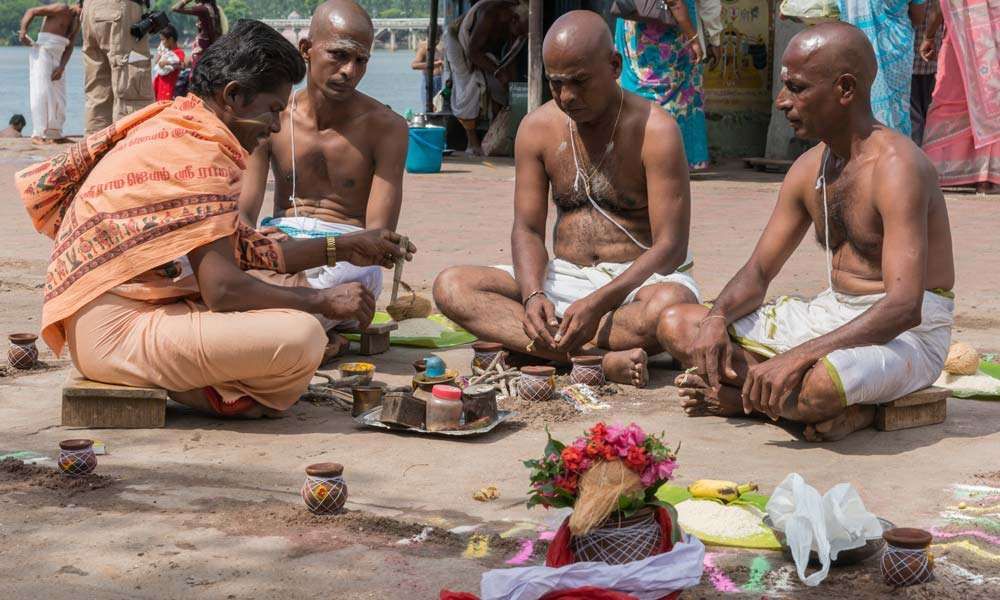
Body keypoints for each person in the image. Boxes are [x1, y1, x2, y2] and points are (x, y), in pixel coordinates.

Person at [15, 20, 415, 419]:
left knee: (286, 334)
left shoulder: (185, 123)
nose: (277, 125)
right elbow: (222, 289)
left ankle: (212, 385)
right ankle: (206, 390)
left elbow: (247, 248)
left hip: (125, 317)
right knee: (304, 337)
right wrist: (321, 300)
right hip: (113, 333)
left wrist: (342, 246)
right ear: (234, 96)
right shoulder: (201, 153)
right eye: (273, 110)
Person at [656, 23, 955, 442]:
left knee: (820, 384)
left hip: (908, 335)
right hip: (830, 315)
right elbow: (759, 271)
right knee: (678, 323)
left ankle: (756, 397)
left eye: (796, 89)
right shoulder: (808, 167)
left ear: (845, 89)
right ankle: (785, 401)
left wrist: (798, 357)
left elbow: (904, 307)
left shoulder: (897, 168)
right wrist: (717, 318)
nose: (782, 102)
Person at [434, 11, 700, 387]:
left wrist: (599, 302)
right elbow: (527, 228)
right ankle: (599, 362)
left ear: (614, 66)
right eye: (557, 84)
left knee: (669, 306)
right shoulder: (537, 128)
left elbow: (671, 248)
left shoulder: (656, 130)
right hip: (563, 280)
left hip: (636, 284)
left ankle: (541, 349)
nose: (567, 96)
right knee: (452, 286)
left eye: (579, 82)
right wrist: (532, 295)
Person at [239, 0, 408, 348]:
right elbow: (243, 212)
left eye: (361, 60)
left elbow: (376, 237)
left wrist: (343, 249)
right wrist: (257, 241)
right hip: (282, 251)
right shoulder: (274, 116)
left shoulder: (387, 127)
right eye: (339, 55)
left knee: (360, 273)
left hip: (347, 256)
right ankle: (309, 332)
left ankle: (281, 327)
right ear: (306, 49)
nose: (349, 70)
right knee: (218, 263)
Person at [615, 1, 709, 170]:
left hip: (632, 29)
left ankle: (631, 156)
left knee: (636, 90)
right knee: (673, 95)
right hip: (665, 33)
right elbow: (675, 2)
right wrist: (693, 37)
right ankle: (664, 159)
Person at [920, 0, 999, 195]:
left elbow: (941, 5)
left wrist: (928, 35)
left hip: (961, 42)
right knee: (991, 101)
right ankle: (988, 176)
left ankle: (944, 171)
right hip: (992, 39)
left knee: (949, 104)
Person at [443, 0, 528, 156]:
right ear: (514, 19)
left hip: (479, 51)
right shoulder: (490, 14)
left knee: (498, 89)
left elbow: (510, 60)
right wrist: (498, 72)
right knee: (467, 87)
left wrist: (510, 88)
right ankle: (472, 143)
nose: (520, 36)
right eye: (520, 31)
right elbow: (473, 52)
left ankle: (493, 137)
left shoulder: (517, 26)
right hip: (459, 42)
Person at [837, 0, 926, 137]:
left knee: (854, 103)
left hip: (853, 47)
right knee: (897, 113)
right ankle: (895, 149)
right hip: (896, 49)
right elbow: (918, 16)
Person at [81, 0, 154, 134]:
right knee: (131, 90)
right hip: (120, 9)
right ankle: (129, 147)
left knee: (98, 93)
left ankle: (97, 150)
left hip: (90, 9)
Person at [19, 1, 81, 144]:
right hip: (43, 51)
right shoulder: (61, 8)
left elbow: (70, 46)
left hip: (59, 57)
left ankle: (55, 134)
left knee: (60, 96)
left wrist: (62, 67)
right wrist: (23, 31)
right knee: (41, 92)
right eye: (83, 9)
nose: (83, 13)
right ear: (79, 4)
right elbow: (31, 11)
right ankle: (38, 134)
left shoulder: (77, 21)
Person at [909, 0, 941, 145]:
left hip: (913, 57)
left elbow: (917, 16)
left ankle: (919, 161)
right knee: (928, 116)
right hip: (932, 56)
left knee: (915, 120)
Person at [172, 0, 223, 67]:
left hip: (204, 51)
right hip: (210, 50)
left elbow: (175, 8)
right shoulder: (211, 8)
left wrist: (186, 1)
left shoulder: (203, 9)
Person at [411, 27, 444, 109]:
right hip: (428, 81)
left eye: (438, 38)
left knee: (440, 107)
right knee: (428, 108)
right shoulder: (424, 47)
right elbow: (414, 65)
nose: (436, 41)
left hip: (441, 81)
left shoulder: (441, 47)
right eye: (435, 39)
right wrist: (435, 64)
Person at [152, 24, 185, 101]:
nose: (162, 42)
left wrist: (168, 62)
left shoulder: (178, 52)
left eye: (163, 40)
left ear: (170, 39)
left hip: (169, 87)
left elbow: (182, 65)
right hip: (159, 84)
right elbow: (156, 63)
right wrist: (160, 53)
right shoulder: (166, 52)